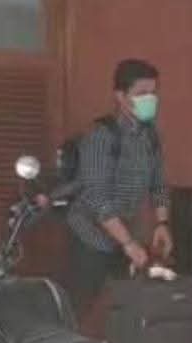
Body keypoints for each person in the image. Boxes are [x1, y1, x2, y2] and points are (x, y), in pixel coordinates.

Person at [64, 58, 174, 316]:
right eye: (142, 93)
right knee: (80, 308)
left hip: (124, 235)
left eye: (153, 93)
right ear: (121, 97)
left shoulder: (150, 136)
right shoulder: (101, 136)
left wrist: (162, 224)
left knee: (122, 309)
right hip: (91, 236)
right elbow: (98, 199)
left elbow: (159, 183)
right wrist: (128, 243)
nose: (150, 99)